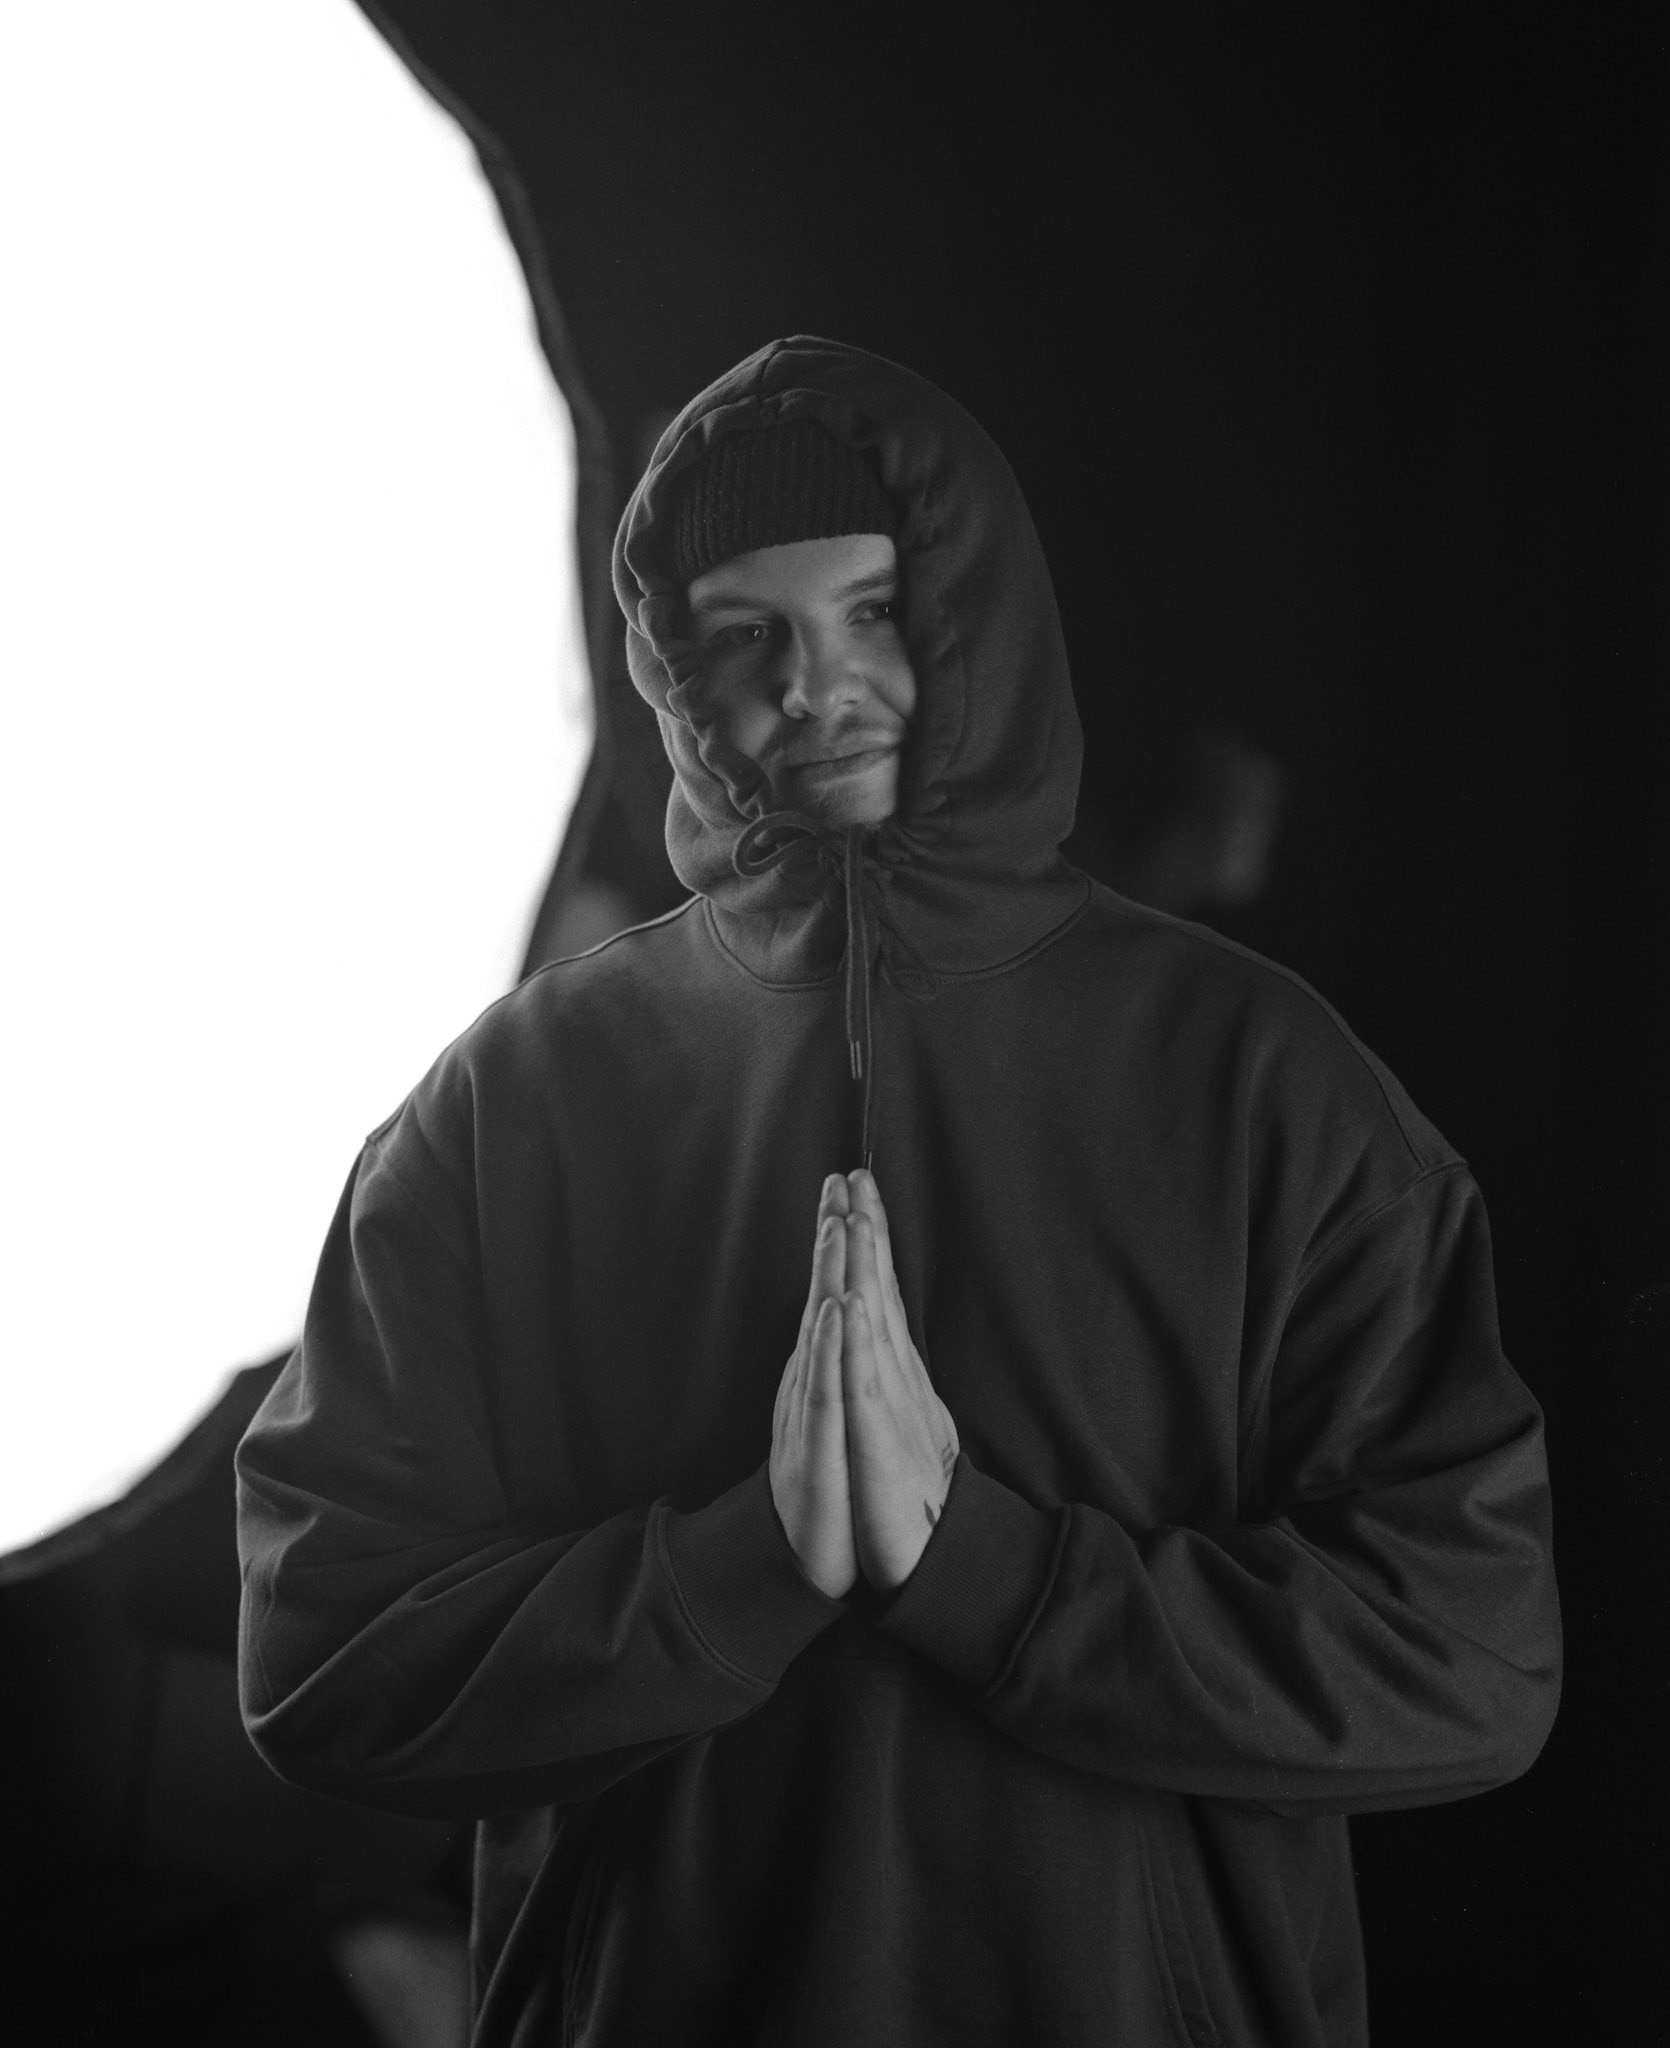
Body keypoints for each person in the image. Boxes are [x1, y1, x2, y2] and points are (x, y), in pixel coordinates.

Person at [236, 336, 1561, 2047]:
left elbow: (1469, 1665)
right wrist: (746, 1567)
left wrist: (981, 1571)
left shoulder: (1258, 1079)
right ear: (670, 677)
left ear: (971, 611)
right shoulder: (513, 1103)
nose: (816, 686)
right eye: (743, 635)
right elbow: (322, 1659)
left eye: (872, 609)